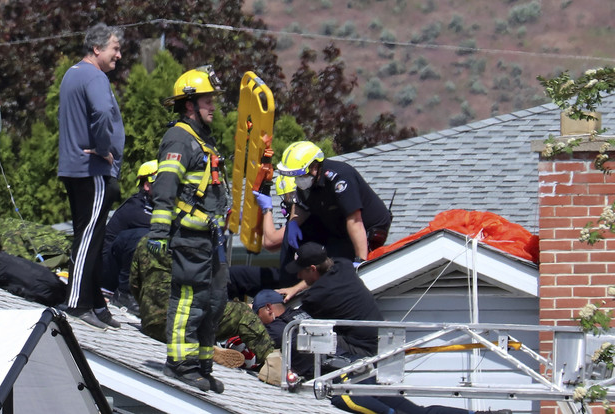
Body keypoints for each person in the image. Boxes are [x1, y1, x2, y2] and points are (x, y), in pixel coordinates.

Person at [256, 245, 511, 414]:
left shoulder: (319, 297)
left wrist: (288, 298)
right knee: (416, 411)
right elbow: (317, 279)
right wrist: (296, 288)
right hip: (377, 349)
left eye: (301, 273)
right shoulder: (343, 267)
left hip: (359, 354)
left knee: (339, 396)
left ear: (312, 270)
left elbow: (294, 323)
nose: (298, 279)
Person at [146, 65, 229, 393]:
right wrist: (159, 231)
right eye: (208, 100)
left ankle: (202, 364)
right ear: (190, 104)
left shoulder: (203, 139)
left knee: (213, 301)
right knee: (189, 300)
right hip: (189, 236)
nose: (213, 106)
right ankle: (180, 363)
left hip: (210, 239)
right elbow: (165, 185)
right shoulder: (179, 137)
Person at [58, 23, 124, 330]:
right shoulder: (95, 76)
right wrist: (103, 148)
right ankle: (78, 303)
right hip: (93, 169)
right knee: (88, 238)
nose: (118, 56)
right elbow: (100, 113)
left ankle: (97, 304)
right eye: (114, 49)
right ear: (96, 49)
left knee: (91, 237)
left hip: (72, 168)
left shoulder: (71, 74)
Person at [130, 233, 275, 371]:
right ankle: (275, 365)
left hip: (151, 324)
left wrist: (150, 310)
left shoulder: (148, 240)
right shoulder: (197, 245)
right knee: (242, 312)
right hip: (181, 328)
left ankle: (199, 346)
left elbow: (134, 284)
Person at [277, 140, 392, 263]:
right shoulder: (308, 182)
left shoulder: (340, 178)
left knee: (339, 267)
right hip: (337, 227)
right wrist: (293, 223)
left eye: (300, 175)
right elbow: (301, 205)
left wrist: (361, 261)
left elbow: (355, 221)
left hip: (367, 228)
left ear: (315, 167)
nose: (297, 180)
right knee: (298, 234)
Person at [101, 159, 157, 315]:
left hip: (122, 269)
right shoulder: (136, 207)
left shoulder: (157, 207)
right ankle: (124, 294)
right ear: (147, 185)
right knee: (146, 236)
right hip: (108, 271)